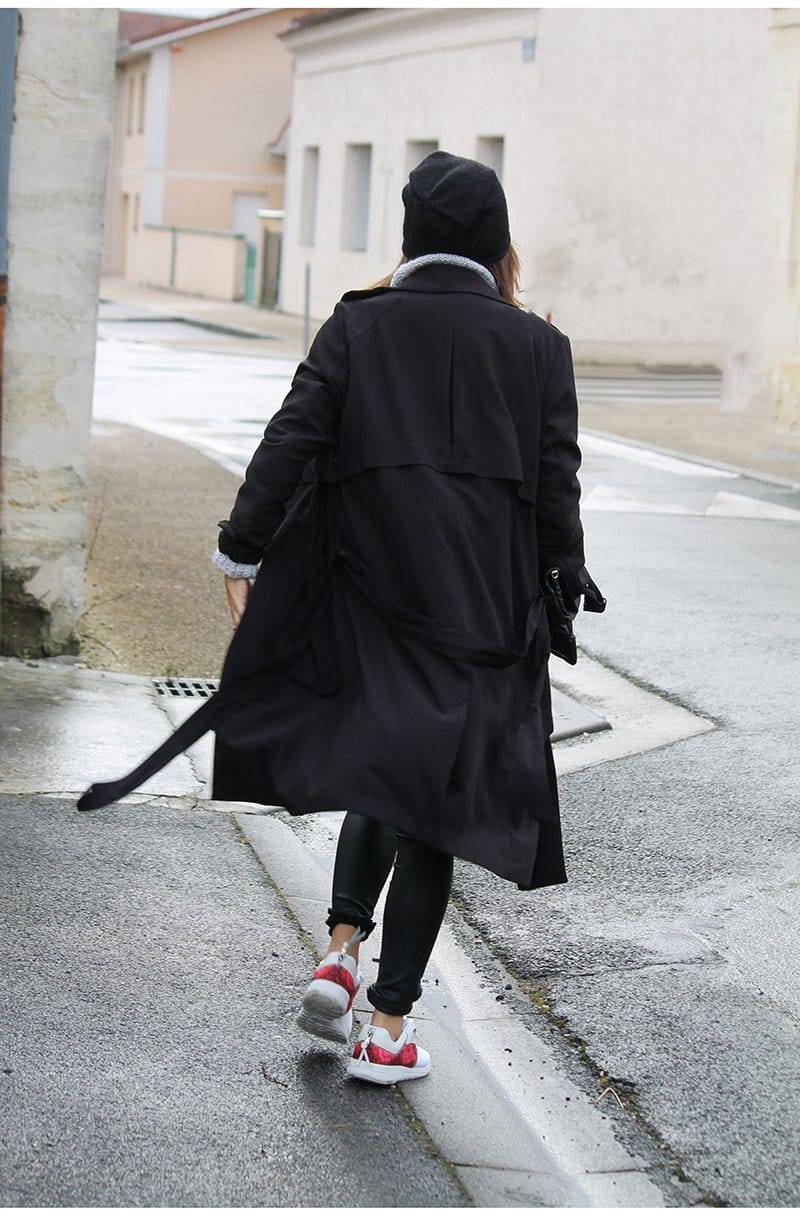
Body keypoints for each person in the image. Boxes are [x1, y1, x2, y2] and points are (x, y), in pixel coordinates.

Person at [208, 150, 604, 1085]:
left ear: (410, 235)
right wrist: (563, 584)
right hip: (483, 617)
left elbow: (291, 438)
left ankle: (340, 951)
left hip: (374, 599)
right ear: (498, 243)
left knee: (382, 774)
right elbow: (557, 492)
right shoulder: (539, 347)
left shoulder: (359, 324)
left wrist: (242, 550)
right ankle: (388, 1030)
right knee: (437, 811)